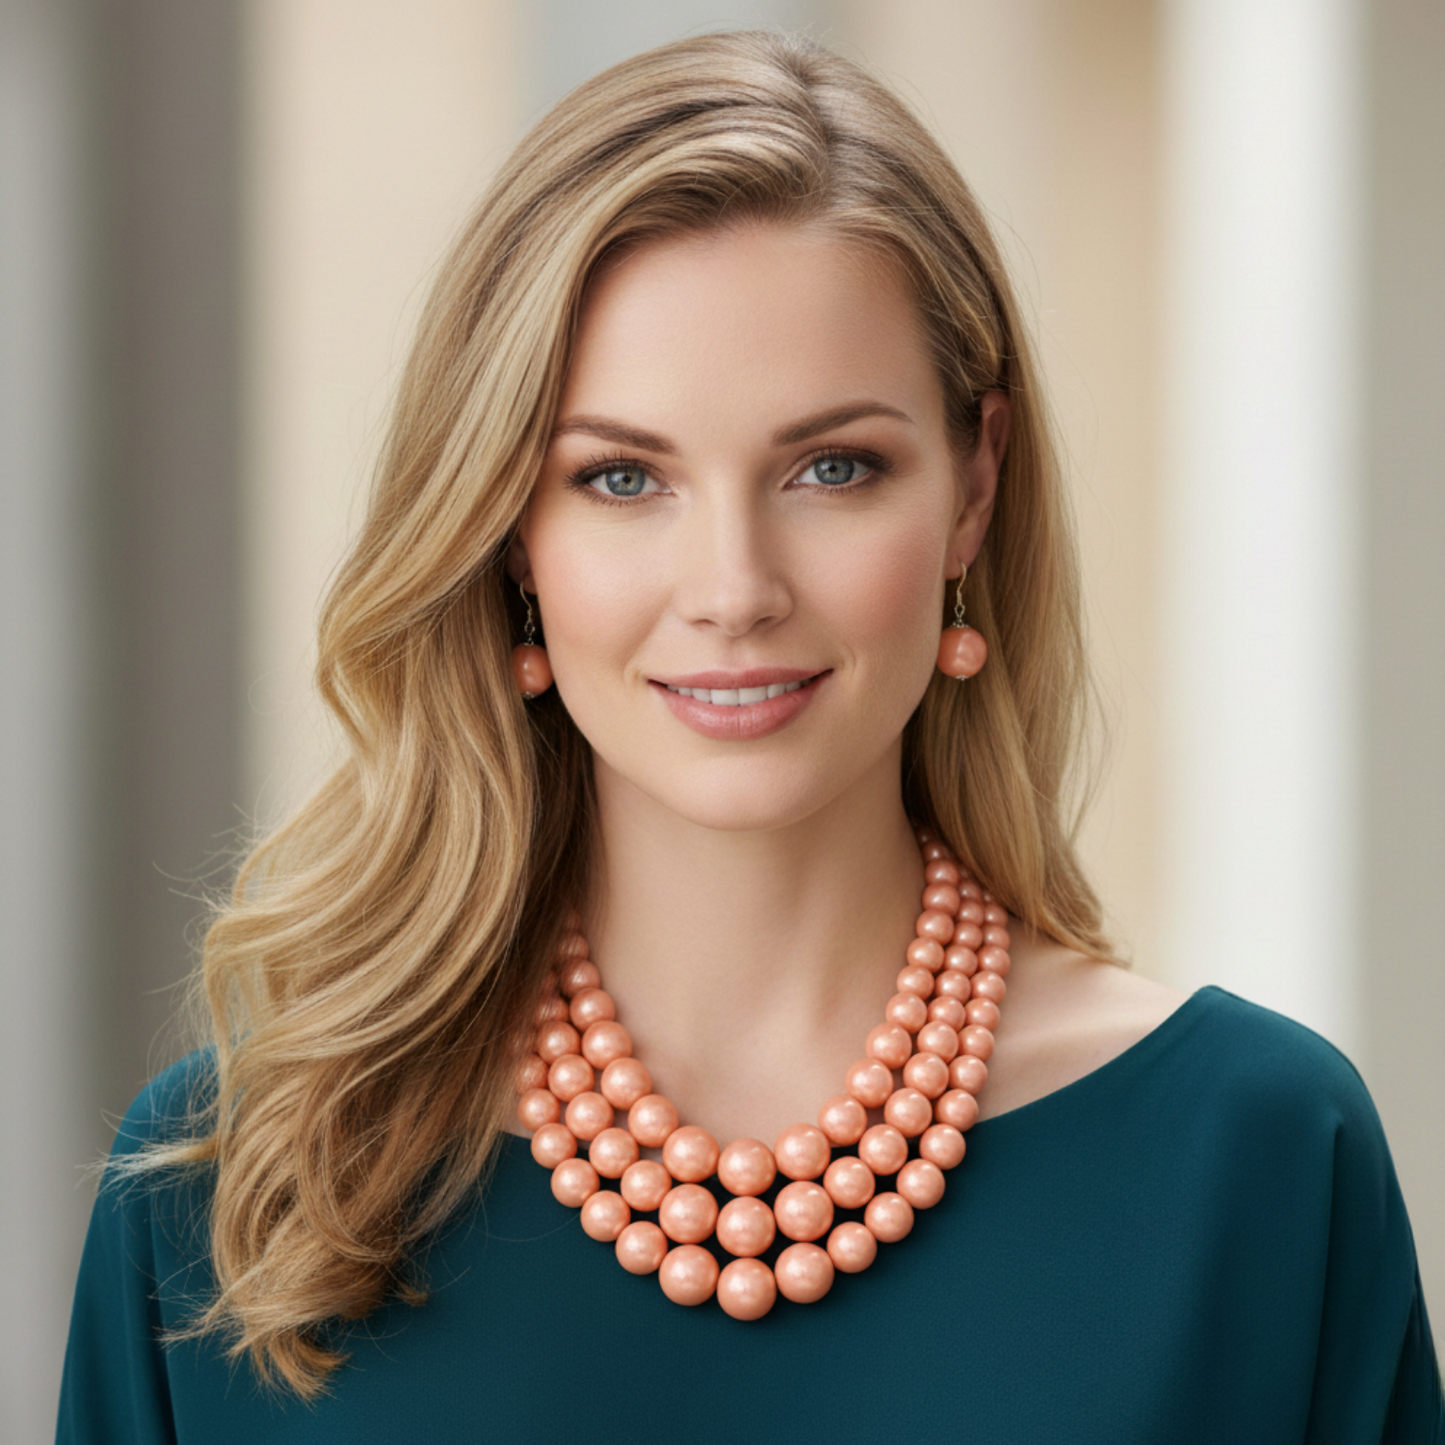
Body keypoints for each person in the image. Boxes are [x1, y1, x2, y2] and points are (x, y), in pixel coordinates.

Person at [58, 30, 1442, 1444]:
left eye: (831, 468)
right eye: (621, 477)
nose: (734, 589)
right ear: (509, 534)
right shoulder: (235, 1188)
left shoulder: (1261, 1162)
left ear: (974, 487)